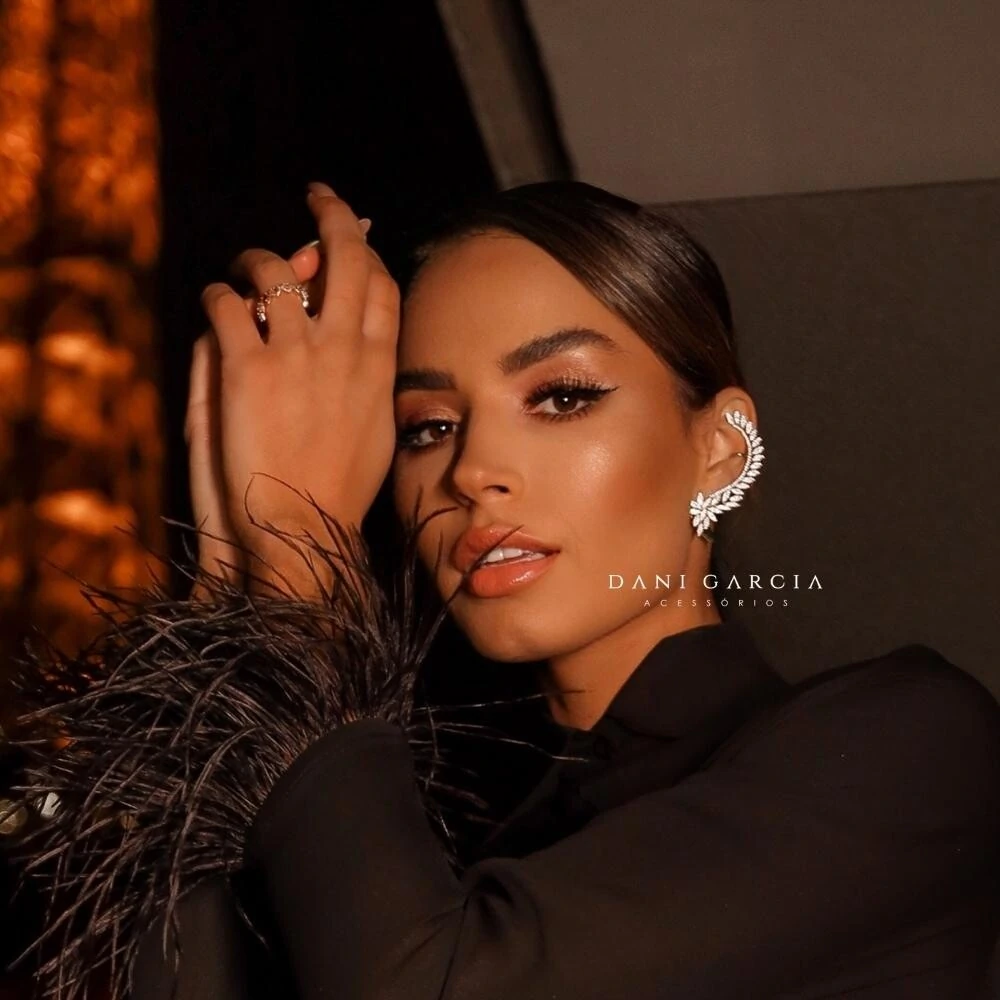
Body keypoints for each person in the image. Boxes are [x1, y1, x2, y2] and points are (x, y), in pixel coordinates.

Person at [5, 180, 1000, 1000]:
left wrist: (303, 560)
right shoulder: (426, 842)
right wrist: (232, 606)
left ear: (719, 448)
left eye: (560, 397)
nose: (473, 469)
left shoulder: (907, 748)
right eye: (428, 427)